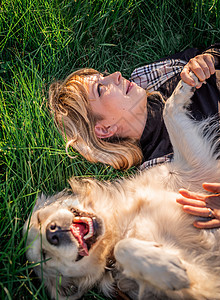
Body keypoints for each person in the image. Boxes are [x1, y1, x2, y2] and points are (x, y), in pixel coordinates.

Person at [49, 44, 220, 227]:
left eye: (104, 76)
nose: (116, 75)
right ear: (105, 129)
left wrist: (209, 58)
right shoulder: (162, 175)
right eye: (100, 89)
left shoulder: (150, 75)